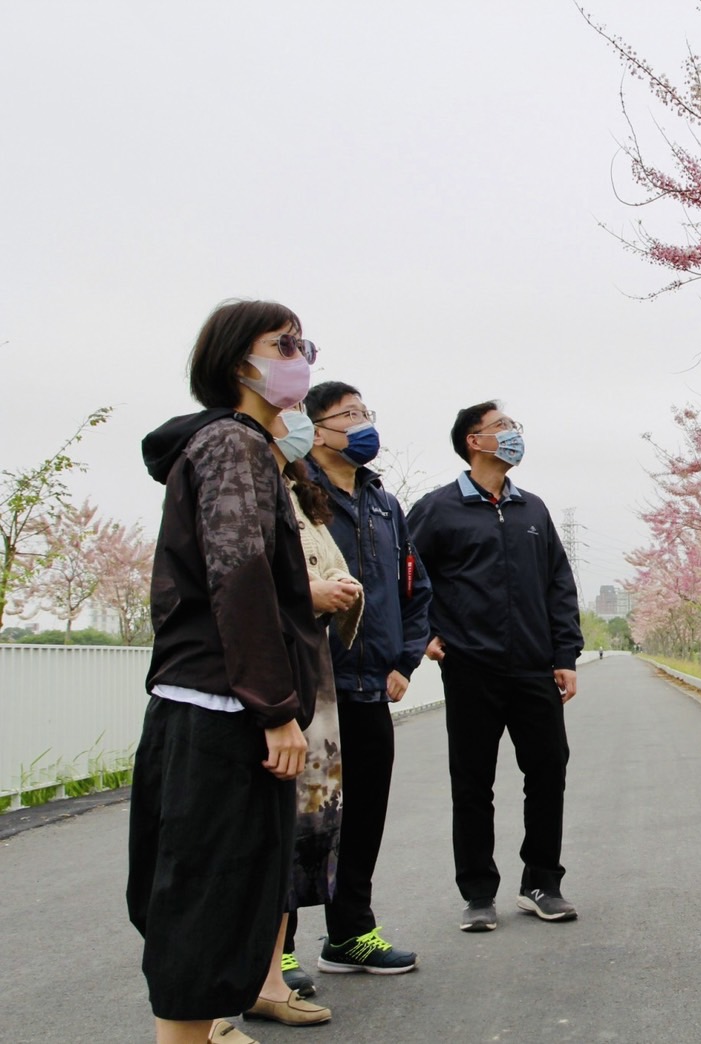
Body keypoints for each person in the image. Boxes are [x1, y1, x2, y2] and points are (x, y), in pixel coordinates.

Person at [129, 300, 325, 1044]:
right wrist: (276, 708)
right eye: (284, 343)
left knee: (217, 894)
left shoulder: (236, 448)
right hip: (221, 709)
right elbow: (240, 577)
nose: (299, 355)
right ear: (237, 362)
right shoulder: (234, 447)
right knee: (205, 898)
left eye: (304, 342)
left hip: (214, 702)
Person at [408, 402, 583, 933]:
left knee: (548, 773)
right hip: (470, 668)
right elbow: (408, 575)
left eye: (513, 427)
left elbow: (558, 583)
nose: (512, 436)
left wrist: (565, 655)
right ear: (473, 441)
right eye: (502, 428)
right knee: (473, 782)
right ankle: (479, 893)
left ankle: (542, 883)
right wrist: (426, 634)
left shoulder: (533, 510)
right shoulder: (437, 509)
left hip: (533, 668)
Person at [293, 380, 431, 977]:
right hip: (313, 688)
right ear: (314, 428)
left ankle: (350, 932)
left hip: (373, 685)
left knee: (365, 813)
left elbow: (413, 588)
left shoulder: (384, 503)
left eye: (365, 412)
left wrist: (404, 661)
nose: (361, 424)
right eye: (347, 415)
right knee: (303, 817)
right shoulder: (295, 494)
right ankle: (280, 947)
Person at [252, 407, 364, 1014]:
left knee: (295, 835)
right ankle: (230, 994)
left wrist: (336, 592)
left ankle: (269, 982)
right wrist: (310, 592)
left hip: (310, 674)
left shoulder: (296, 488)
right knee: (258, 835)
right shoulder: (237, 479)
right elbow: (243, 583)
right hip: (271, 683)